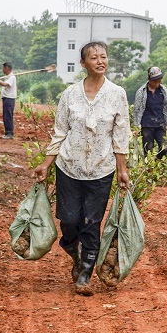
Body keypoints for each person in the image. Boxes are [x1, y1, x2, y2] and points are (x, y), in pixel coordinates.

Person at [33, 42, 132, 295]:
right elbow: (60, 132)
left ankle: (85, 275)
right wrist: (46, 163)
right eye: (94, 57)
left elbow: (120, 134)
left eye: (104, 57)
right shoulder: (69, 95)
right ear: (83, 63)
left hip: (102, 168)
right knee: (69, 220)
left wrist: (122, 169)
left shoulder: (117, 93)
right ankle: (74, 253)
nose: (100, 61)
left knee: (92, 221)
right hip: (69, 167)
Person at [133, 66, 167, 157]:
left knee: (164, 148)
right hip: (147, 125)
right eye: (155, 81)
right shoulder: (142, 92)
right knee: (148, 149)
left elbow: (166, 106)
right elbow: (137, 109)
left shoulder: (162, 90)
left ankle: (159, 162)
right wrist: (136, 126)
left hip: (160, 124)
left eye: (159, 81)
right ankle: (150, 168)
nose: (157, 83)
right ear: (149, 80)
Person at [0, 63, 18, 139]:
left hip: (9, 99)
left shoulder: (12, 77)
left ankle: (9, 133)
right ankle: (7, 132)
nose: (2, 70)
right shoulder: (8, 76)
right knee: (5, 116)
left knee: (8, 116)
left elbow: (4, 84)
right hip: (6, 98)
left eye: (3, 68)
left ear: (7, 69)